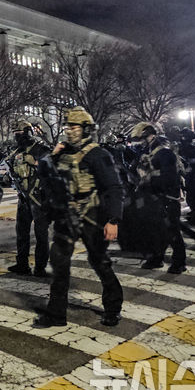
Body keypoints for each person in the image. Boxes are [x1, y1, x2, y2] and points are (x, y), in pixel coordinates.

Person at [34, 107, 124, 328]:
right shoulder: (62, 154)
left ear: (85, 129)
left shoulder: (98, 154)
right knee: (59, 264)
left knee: (100, 262)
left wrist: (113, 220)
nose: (69, 130)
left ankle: (113, 308)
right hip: (67, 216)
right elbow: (44, 175)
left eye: (73, 126)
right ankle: (56, 315)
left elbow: (113, 187)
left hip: (92, 216)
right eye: (67, 126)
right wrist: (53, 155)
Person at [129, 121, 187, 273]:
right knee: (154, 230)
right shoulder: (148, 153)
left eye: (143, 138)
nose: (140, 142)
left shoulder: (164, 153)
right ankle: (156, 257)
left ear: (151, 136)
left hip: (167, 197)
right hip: (153, 197)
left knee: (172, 231)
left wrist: (149, 179)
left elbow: (169, 177)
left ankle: (179, 262)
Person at [5, 118, 51, 276]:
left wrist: (37, 164)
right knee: (21, 232)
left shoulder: (40, 149)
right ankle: (22, 264)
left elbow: (53, 167)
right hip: (23, 197)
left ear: (28, 133)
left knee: (41, 234)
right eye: (15, 134)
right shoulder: (16, 152)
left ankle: (40, 267)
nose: (17, 137)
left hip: (39, 197)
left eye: (20, 133)